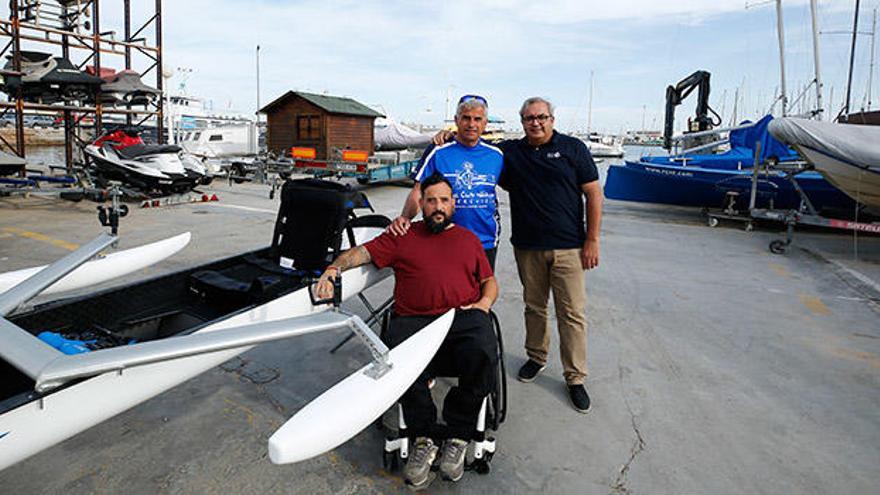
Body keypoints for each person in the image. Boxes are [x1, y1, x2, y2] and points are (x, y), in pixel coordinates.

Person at [315, 172, 498, 489]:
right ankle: (423, 437)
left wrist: (484, 303)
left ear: (453, 204)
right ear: (421, 204)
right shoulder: (402, 236)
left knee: (483, 351)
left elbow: (488, 281)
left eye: (443, 200)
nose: (437, 207)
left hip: (462, 317)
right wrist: (333, 268)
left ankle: (458, 435)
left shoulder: (468, 240)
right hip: (414, 320)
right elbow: (363, 253)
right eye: (431, 201)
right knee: (397, 361)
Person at [499, 96, 603, 414]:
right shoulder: (511, 153)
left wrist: (592, 240)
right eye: (529, 118)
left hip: (569, 247)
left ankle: (575, 378)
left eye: (542, 117)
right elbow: (474, 148)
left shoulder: (573, 149)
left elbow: (594, 193)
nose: (536, 122)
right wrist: (444, 136)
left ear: (552, 119)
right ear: (522, 122)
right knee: (534, 307)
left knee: (571, 314)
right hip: (527, 247)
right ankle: (536, 358)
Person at [388, 94, 504, 268]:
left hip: (485, 240)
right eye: (466, 118)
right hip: (444, 237)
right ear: (456, 120)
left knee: (483, 291)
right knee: (446, 290)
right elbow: (419, 189)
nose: (471, 124)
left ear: (485, 123)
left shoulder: (497, 155)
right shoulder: (439, 150)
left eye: (477, 119)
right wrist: (406, 217)